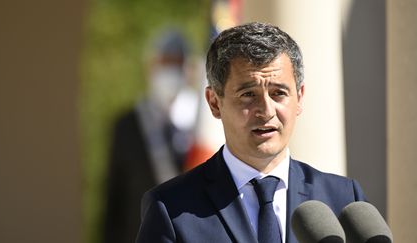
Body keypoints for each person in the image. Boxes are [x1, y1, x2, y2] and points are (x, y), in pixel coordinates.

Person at [135, 22, 366, 243]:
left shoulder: (345, 200)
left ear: (300, 97)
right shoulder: (170, 207)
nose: (266, 111)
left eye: (278, 93)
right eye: (248, 95)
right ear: (214, 103)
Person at [103, 29, 196, 243]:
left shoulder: (206, 122)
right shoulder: (128, 125)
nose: (170, 71)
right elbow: (114, 200)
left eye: (177, 63)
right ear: (151, 66)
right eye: (165, 63)